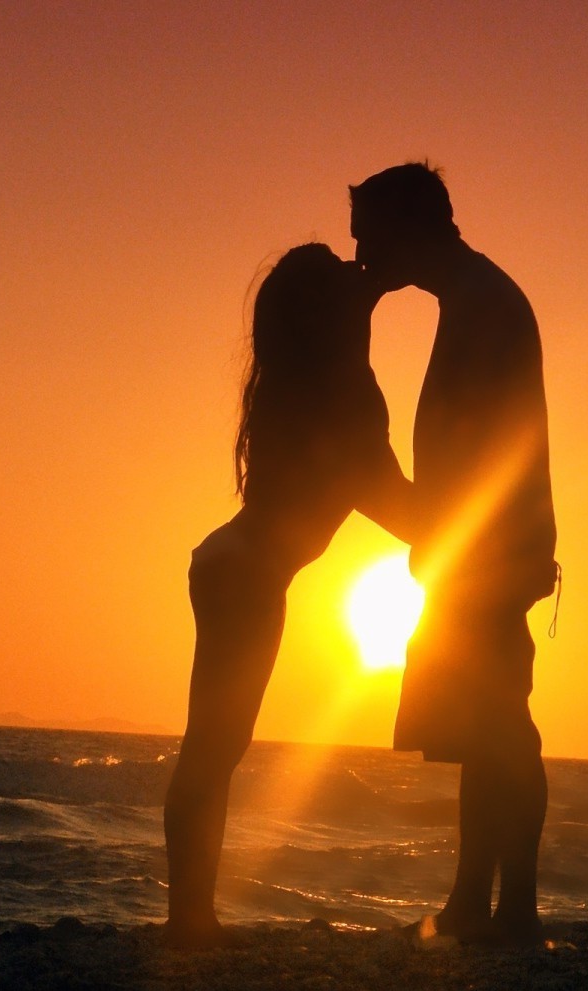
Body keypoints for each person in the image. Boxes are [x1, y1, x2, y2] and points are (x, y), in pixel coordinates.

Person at [163, 243, 411, 948]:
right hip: (246, 577)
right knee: (214, 753)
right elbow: (395, 504)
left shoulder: (296, 384)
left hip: (231, 564)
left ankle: (190, 917)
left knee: (211, 751)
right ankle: (189, 922)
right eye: (343, 276)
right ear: (329, 316)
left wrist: (366, 295)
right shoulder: (347, 399)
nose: (356, 273)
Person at [350, 163, 559, 947]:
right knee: (487, 727)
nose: (363, 254)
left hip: (489, 552)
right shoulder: (472, 298)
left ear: (409, 228)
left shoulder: (483, 305)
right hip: (477, 549)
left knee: (504, 726)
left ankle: (515, 910)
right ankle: (479, 904)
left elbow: (488, 450)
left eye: (370, 237)